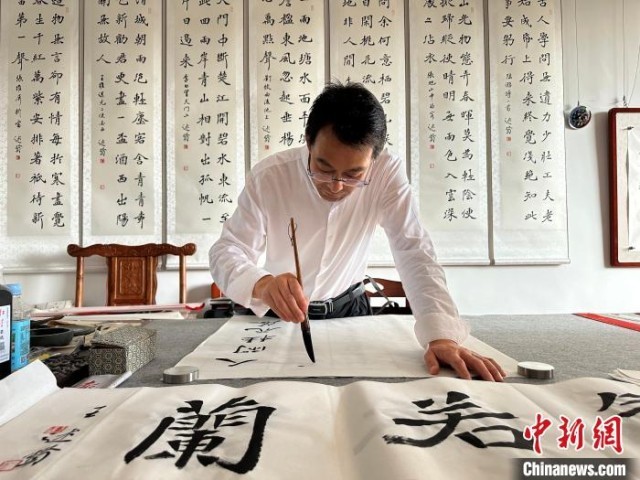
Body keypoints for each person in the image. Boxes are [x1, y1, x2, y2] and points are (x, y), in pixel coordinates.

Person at [210, 82, 505, 381]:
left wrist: (441, 337)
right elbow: (227, 251)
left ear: (374, 158)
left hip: (350, 311)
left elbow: (414, 250)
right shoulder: (270, 176)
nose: (336, 185)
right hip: (276, 315)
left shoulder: (386, 173)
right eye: (323, 168)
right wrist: (262, 285)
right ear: (308, 142)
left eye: (354, 174)